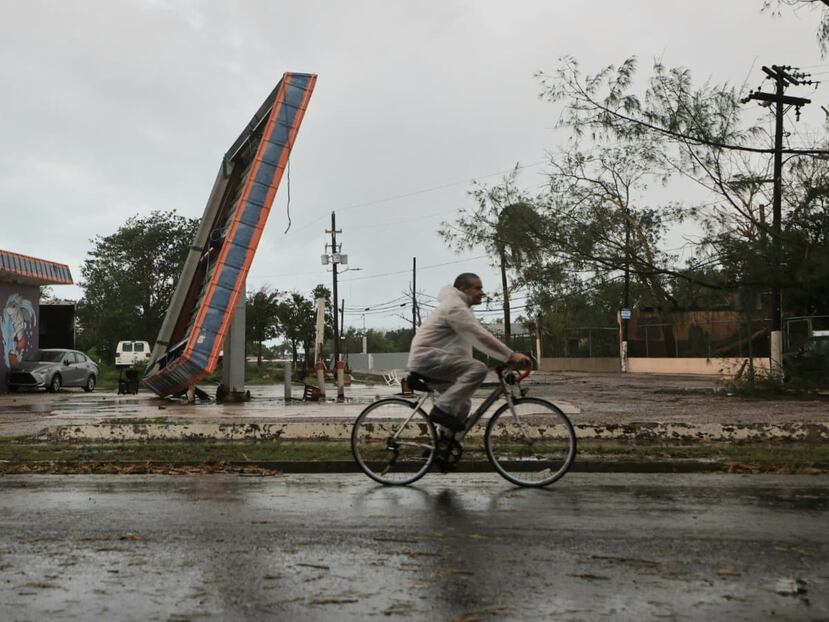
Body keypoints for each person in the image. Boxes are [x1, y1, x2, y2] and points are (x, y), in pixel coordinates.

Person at [407, 273, 531, 432]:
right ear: (463, 289)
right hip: (427, 358)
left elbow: (462, 347)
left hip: (435, 359)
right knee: (478, 368)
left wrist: (503, 358)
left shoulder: (460, 307)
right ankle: (441, 409)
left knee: (462, 405)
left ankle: (442, 447)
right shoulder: (455, 307)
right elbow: (479, 335)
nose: (482, 292)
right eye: (477, 288)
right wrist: (510, 355)